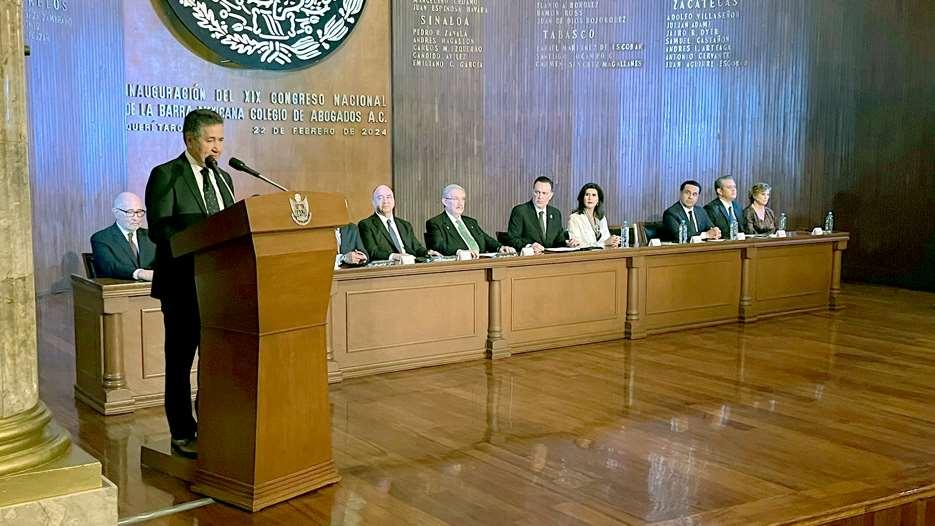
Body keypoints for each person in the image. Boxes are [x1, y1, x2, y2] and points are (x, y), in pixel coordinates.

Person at [145, 109, 235, 459]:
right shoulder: (167, 174)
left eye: (221, 140)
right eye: (210, 140)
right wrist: (202, 235)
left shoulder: (225, 179)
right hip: (182, 285)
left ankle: (212, 423)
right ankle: (182, 432)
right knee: (180, 363)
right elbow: (160, 229)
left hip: (219, 287)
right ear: (189, 139)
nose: (217, 147)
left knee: (216, 361)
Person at [426, 184, 516, 257]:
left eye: (463, 199)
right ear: (445, 201)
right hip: (460, 266)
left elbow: (486, 239)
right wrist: (459, 251)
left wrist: (500, 247)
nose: (460, 203)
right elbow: (438, 246)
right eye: (456, 199)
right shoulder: (435, 223)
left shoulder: (471, 222)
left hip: (481, 260)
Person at [358, 185, 439, 261]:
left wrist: (427, 252)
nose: (385, 201)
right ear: (373, 202)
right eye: (380, 198)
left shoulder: (405, 225)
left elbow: (417, 248)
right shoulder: (366, 225)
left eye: (388, 197)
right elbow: (372, 252)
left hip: (411, 264)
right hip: (389, 267)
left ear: (394, 201)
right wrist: (394, 256)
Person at [90, 192, 156, 280]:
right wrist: (139, 273)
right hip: (118, 286)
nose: (136, 218)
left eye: (139, 212)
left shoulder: (152, 236)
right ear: (116, 212)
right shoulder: (101, 238)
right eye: (130, 212)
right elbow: (110, 266)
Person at [506, 176, 579, 253]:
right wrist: (529, 246)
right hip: (530, 257)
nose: (540, 197)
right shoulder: (520, 211)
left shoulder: (555, 213)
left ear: (550, 195)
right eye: (537, 192)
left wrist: (568, 243)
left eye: (544, 193)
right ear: (532, 192)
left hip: (551, 257)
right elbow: (512, 239)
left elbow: (559, 240)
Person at [566, 183, 620, 248]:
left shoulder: (602, 218)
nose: (590, 198)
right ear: (582, 199)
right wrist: (604, 243)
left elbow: (606, 239)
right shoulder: (574, 218)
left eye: (594, 195)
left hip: (602, 253)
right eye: (587, 195)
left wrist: (613, 241)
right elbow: (576, 245)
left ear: (598, 200)